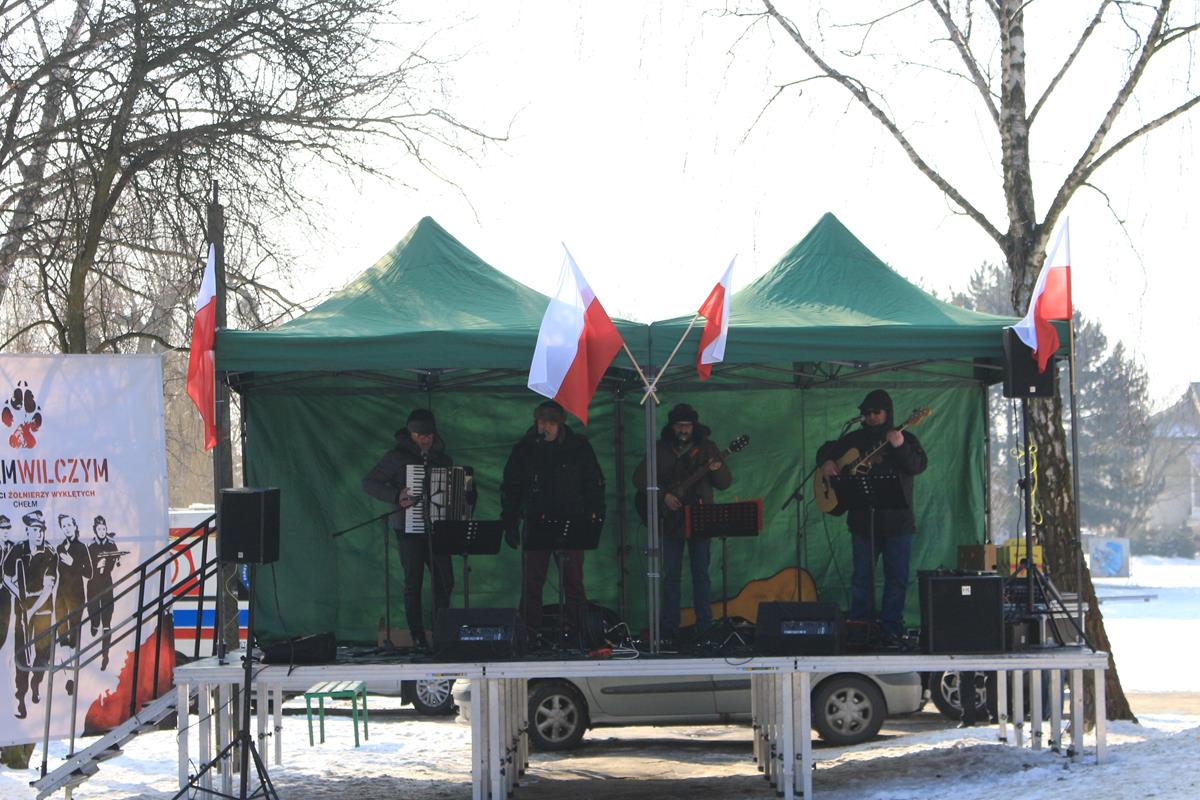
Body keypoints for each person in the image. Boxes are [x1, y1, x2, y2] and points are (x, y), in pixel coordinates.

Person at [816, 389, 927, 640]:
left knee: (896, 578)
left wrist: (899, 446)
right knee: (861, 578)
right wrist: (826, 462)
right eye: (866, 412)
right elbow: (826, 450)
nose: (871, 416)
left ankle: (890, 630)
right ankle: (860, 628)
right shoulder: (853, 439)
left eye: (876, 411)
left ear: (888, 413)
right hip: (862, 522)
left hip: (898, 524)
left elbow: (917, 465)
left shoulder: (906, 438)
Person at [501, 400, 605, 644]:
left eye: (550, 423)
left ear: (560, 425)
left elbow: (593, 484)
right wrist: (510, 522)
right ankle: (529, 636)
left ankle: (578, 634)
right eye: (541, 422)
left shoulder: (578, 447)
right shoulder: (525, 449)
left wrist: (594, 517)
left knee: (573, 582)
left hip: (572, 522)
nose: (545, 427)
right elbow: (511, 488)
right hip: (536, 521)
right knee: (532, 582)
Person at [633, 403, 733, 643]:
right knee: (671, 576)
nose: (684, 429)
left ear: (694, 426)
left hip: (700, 518)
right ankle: (670, 629)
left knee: (701, 576)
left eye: (687, 425)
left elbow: (724, 483)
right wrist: (663, 496)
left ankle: (705, 628)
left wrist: (718, 468)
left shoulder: (707, 448)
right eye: (679, 425)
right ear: (672, 427)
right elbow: (639, 479)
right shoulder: (660, 449)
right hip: (670, 521)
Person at [362, 408, 456, 651]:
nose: (426, 439)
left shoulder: (442, 459)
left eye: (429, 435)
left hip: (438, 529)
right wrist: (396, 495)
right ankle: (418, 636)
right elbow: (369, 483)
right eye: (420, 435)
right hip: (408, 528)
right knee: (413, 582)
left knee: (445, 580)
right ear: (411, 434)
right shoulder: (396, 457)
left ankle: (441, 632)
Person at [4, 510, 56, 718]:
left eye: (41, 530)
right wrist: (19, 595)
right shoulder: (18, 549)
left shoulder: (50, 552)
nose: (39, 534)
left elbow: (48, 587)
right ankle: (21, 697)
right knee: (21, 654)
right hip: (22, 608)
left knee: (43, 654)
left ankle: (36, 683)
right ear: (27, 531)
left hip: (42, 609)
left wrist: (32, 609)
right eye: (35, 530)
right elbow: (6, 576)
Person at [54, 514, 93, 695]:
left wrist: (73, 563)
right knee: (62, 636)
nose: (67, 528)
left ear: (75, 526)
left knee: (73, 635)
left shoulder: (81, 547)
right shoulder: (60, 548)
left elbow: (89, 573)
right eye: (64, 526)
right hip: (61, 596)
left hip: (76, 596)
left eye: (69, 525)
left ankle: (75, 677)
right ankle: (68, 678)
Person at [86, 515, 120, 670]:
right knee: (94, 612)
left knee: (107, 621)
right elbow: (86, 566)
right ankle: (94, 623)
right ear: (95, 530)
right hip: (93, 584)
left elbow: (116, 560)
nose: (102, 531)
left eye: (104, 528)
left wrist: (109, 564)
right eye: (99, 529)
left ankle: (105, 655)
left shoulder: (111, 545)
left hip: (106, 583)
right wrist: (96, 565)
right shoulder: (91, 546)